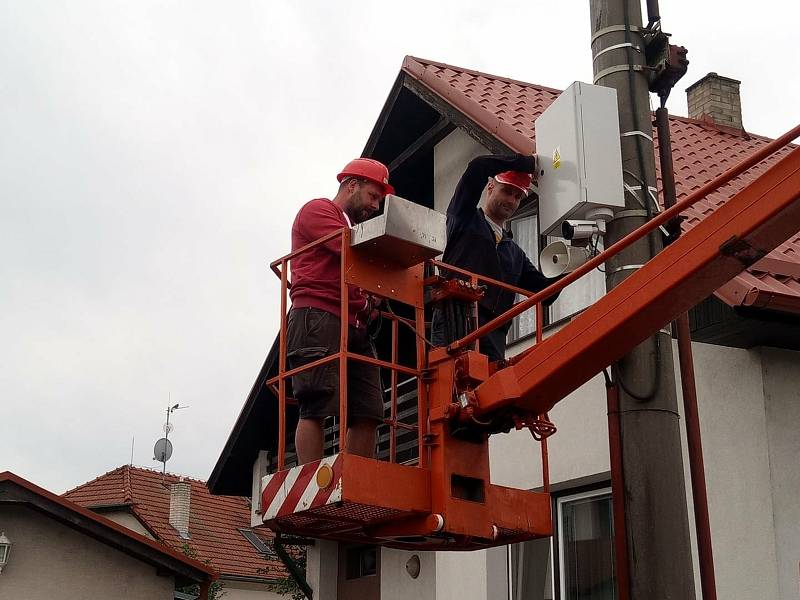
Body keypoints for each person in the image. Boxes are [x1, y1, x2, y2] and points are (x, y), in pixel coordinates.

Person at [286, 158, 393, 464]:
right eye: (373, 196)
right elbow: (352, 252)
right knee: (315, 402)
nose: (375, 206)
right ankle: (311, 485)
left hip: (354, 321)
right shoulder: (318, 210)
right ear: (352, 185)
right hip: (318, 315)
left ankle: (354, 478)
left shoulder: (351, 226)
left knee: (370, 409)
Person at [431, 154, 558, 362]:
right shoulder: (463, 217)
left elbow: (545, 293)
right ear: (490, 186)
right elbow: (478, 166)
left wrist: (573, 262)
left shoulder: (514, 253)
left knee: (488, 391)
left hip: (494, 335)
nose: (511, 201)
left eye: (517, 196)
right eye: (507, 191)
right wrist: (527, 164)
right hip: (454, 319)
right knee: (448, 384)